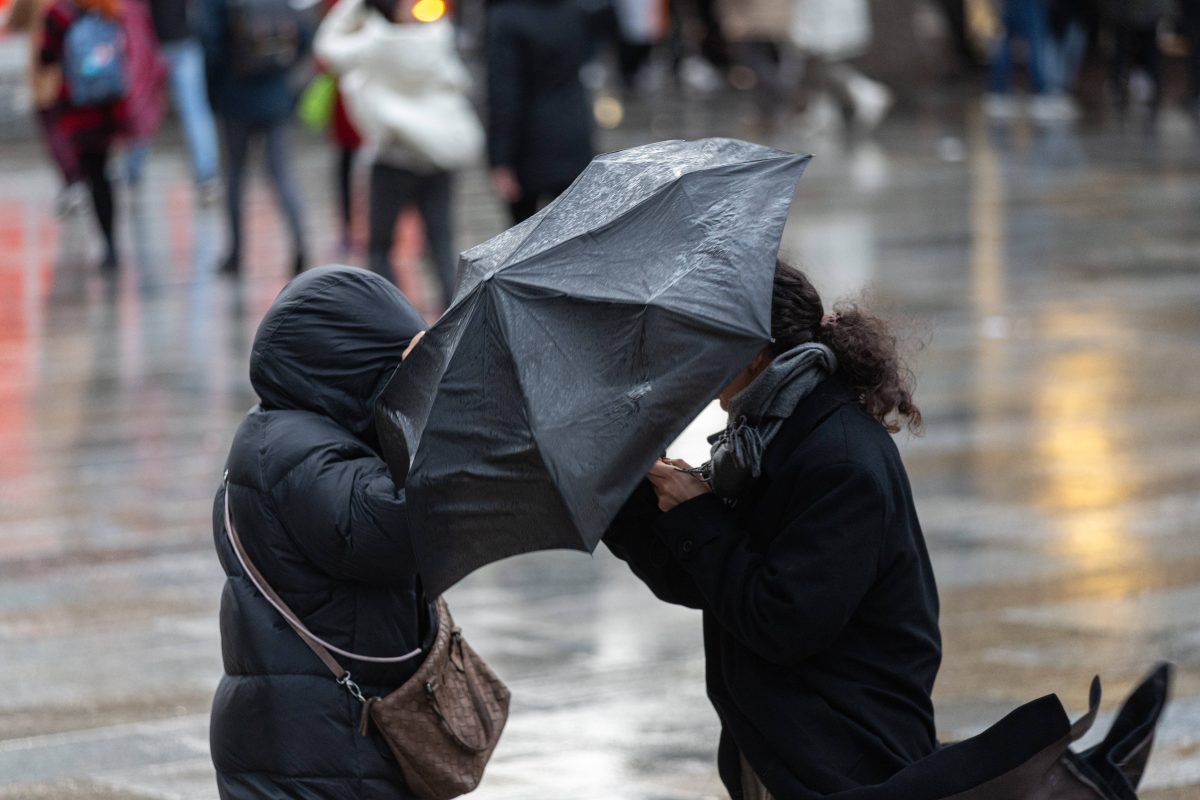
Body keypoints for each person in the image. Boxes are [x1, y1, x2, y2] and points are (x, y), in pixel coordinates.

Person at [604, 261, 940, 798]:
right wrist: (625, 488)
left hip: (844, 759)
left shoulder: (839, 460)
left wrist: (697, 512)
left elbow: (782, 620)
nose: (689, 360)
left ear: (755, 350)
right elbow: (703, 582)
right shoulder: (764, 435)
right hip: (777, 745)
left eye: (703, 340)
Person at [211, 265, 433, 797]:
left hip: (312, 733)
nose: (412, 382)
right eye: (400, 366)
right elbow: (398, 530)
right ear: (348, 366)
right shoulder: (296, 450)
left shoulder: (293, 430)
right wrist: (438, 420)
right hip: (319, 747)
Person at [315, 0, 482, 311]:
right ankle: (455, 317)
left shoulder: (372, 45)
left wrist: (353, 6)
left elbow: (326, 48)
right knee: (441, 244)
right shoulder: (436, 37)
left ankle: (394, 318)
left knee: (380, 247)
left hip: (391, 158)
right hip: (436, 154)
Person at [200, 0, 310, 276]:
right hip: (276, 94)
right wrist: (286, 77)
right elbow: (304, 33)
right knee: (282, 172)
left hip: (235, 94)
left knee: (236, 174)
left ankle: (236, 252)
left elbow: (210, 43)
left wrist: (213, 93)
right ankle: (300, 240)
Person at [36, 0, 132, 270]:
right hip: (107, 106)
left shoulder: (59, 13)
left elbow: (46, 55)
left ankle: (107, 245)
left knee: (92, 174)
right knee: (103, 173)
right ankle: (112, 241)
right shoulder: (107, 6)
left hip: (78, 108)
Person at [486, 0, 595, 225]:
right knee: (572, 235)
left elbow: (504, 95)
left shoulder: (506, 18)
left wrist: (500, 159)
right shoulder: (574, 11)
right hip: (574, 132)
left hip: (528, 143)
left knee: (522, 241)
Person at [123, 0, 221, 202]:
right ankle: (206, 175)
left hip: (154, 43)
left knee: (143, 108)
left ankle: (133, 170)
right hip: (181, 41)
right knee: (195, 111)